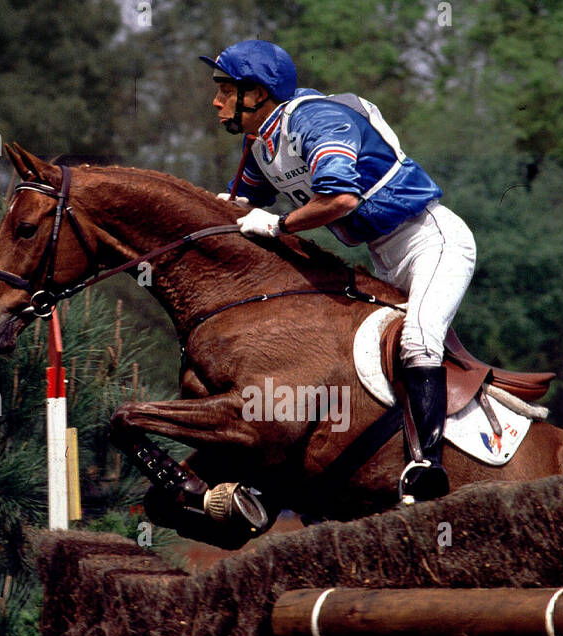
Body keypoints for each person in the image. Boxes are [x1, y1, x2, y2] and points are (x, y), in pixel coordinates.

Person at [200, 40, 476, 502]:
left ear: (259, 93)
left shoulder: (316, 121)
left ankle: (429, 467)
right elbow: (241, 205)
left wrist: (281, 224)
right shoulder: (263, 141)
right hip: (381, 255)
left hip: (431, 240)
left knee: (418, 339)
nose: (216, 101)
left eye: (226, 89)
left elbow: (342, 199)